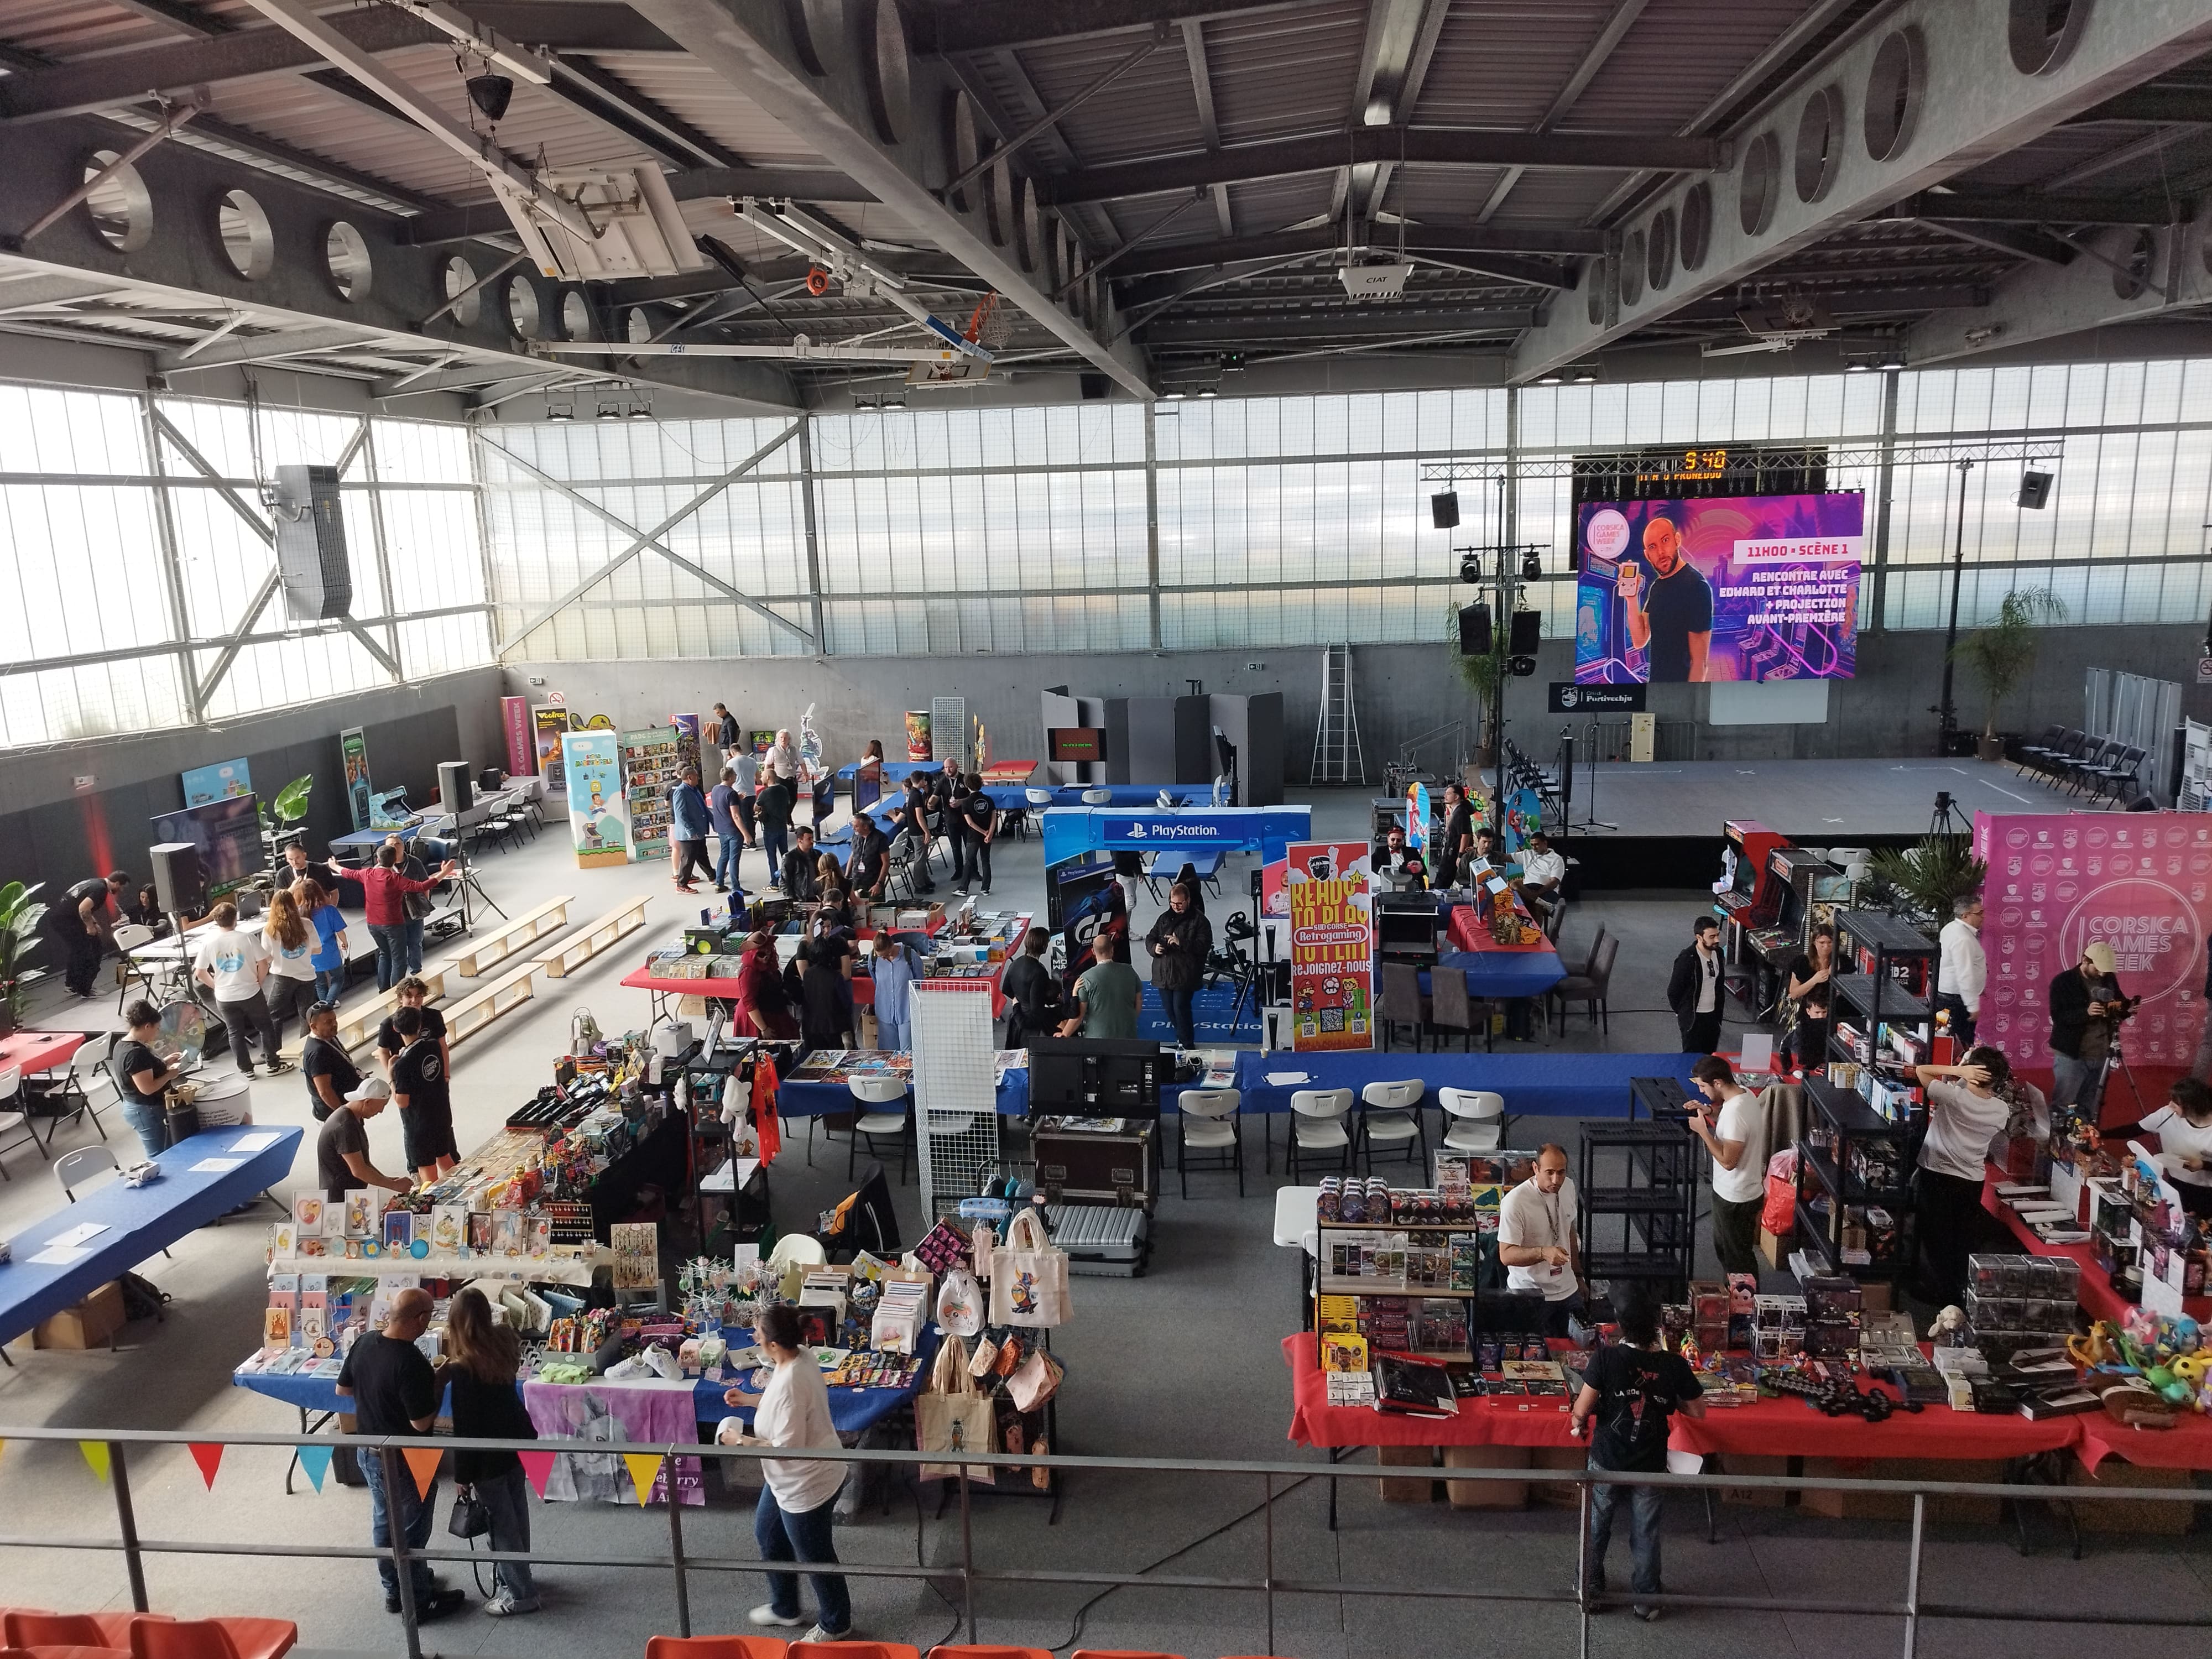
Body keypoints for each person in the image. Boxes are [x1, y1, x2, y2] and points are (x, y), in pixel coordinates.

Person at [1568, 1290, 1707, 1622]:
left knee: (1597, 1523)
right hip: (1650, 1461)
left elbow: (1581, 1410)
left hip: (1607, 1458)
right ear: (1657, 1325)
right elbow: (1698, 1411)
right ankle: (1646, 1599)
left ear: (1620, 1325)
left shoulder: (1605, 1359)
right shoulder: (1673, 1365)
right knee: (1646, 1530)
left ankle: (1590, 1588)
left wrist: (1578, 1422)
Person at [718, 1303, 854, 1643]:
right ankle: (786, 1606)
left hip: (806, 1484)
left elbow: (784, 1447)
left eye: (758, 1336)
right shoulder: (799, 1356)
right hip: (788, 1479)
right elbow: (782, 1402)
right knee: (768, 1534)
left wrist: (738, 1440)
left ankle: (837, 1623)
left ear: (774, 1344)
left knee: (817, 1556)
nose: (754, 1339)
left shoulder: (792, 1380)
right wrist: (751, 1401)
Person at [337, 1287, 467, 1624]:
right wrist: (438, 1382)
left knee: (384, 1523)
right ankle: (419, 1602)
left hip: (368, 1451)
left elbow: (344, 1389)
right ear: (422, 1320)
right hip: (405, 1459)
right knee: (412, 1532)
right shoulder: (411, 1361)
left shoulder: (365, 1341)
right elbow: (421, 1422)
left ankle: (395, 1590)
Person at [438, 1287, 542, 1616]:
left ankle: (521, 1594)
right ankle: (521, 1575)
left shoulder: (462, 1367)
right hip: (515, 1443)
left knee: (500, 1525)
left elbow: (466, 1428)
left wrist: (462, 1476)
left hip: (484, 1457)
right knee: (517, 1513)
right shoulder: (504, 1341)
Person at [1910, 1048, 2030, 1305]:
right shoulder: (2000, 1110)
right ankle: (1958, 1291)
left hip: (1937, 1173)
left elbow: (1921, 1071)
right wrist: (1967, 1072)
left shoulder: (1953, 1096)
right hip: (1971, 1180)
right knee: (1959, 1236)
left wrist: (1957, 1070)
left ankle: (1937, 1293)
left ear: (1971, 1073)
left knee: (1934, 1235)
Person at [1686, 1054, 1762, 1277]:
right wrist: (1709, 1111)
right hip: (1738, 1192)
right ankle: (1739, 1299)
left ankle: (1746, 1305)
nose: (1701, 1091)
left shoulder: (1735, 1113)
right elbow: (1730, 1122)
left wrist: (1703, 1131)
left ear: (1717, 1083)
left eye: (1703, 1086)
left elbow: (1729, 1161)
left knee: (1737, 1259)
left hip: (1735, 1197)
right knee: (1729, 1251)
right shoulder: (1744, 1095)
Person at [193, 901, 290, 1078]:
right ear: (235, 919)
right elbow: (264, 961)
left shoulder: (209, 943)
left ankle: (247, 1070)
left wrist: (217, 986)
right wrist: (259, 981)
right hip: (251, 992)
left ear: (216, 921)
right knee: (265, 1027)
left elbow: (200, 972)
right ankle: (273, 1064)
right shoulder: (246, 938)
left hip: (225, 997)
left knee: (235, 1033)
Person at [1496, 1144, 1582, 1336]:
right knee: (1533, 1358)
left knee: (1576, 1352)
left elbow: (1569, 1230)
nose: (1556, 1180)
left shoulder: (1568, 1187)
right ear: (1535, 1169)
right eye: (1549, 1172)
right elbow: (1506, 1255)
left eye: (1561, 1172)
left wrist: (1578, 1275)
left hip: (1568, 1290)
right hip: (1529, 1294)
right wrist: (1543, 1253)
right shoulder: (1515, 1202)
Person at [1618, 510, 1713, 682]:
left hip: (1680, 692)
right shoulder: (1657, 587)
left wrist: (1689, 703)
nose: (1661, 552)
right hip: (1657, 688)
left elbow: (1699, 663)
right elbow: (1640, 640)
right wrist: (1631, 598)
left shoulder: (1696, 586)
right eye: (1653, 547)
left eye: (1665, 540)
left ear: (1677, 540)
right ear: (1647, 555)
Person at [2049, 941, 2133, 1133]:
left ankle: (2082, 1141)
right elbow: (2059, 1017)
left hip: (2101, 1053)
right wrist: (2086, 1013)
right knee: (2063, 1104)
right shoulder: (2063, 981)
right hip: (2072, 1053)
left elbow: (2118, 1003)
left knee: (2088, 1105)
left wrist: (2127, 1009)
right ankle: (2056, 1144)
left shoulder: (2108, 979)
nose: (2102, 974)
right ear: (2085, 960)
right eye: (2099, 969)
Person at [359, 843, 457, 993]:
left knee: (386, 954)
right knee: (399, 959)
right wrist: (443, 873)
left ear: (378, 860)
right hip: (393, 924)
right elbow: (422, 886)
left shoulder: (367, 874)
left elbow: (347, 873)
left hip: (374, 924)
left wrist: (334, 866)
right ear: (393, 861)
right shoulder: (394, 878)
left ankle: (384, 990)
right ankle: (398, 992)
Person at [388, 1004, 457, 1184]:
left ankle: (436, 1206)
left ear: (396, 1029)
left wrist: (391, 1078)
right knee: (445, 1158)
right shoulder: (433, 1046)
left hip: (420, 1124)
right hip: (441, 1114)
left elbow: (402, 1102)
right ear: (420, 1025)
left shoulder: (402, 1065)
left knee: (428, 1174)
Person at [317, 1074, 411, 1203]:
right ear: (367, 1102)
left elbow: (364, 1163)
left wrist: (388, 1180)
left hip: (350, 1192)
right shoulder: (345, 1127)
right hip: (338, 1199)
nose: (381, 1111)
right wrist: (394, 1186)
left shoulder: (354, 1117)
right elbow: (359, 1170)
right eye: (382, 1105)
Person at [1145, 882, 1213, 1048]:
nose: (1176, 907)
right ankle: (1183, 1038)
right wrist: (1155, 948)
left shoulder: (1200, 921)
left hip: (1186, 974)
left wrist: (1180, 942)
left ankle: (1187, 1043)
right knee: (1169, 1009)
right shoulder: (1164, 918)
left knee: (1181, 1008)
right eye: (1173, 903)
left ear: (1188, 900)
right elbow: (1150, 937)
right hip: (1163, 973)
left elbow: (1203, 946)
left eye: (1180, 903)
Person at [113, 999, 182, 1158]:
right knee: (160, 1154)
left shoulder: (122, 1045)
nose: (157, 1033)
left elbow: (142, 1072)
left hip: (141, 1108)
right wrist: (169, 1075)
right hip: (146, 1111)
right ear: (147, 1026)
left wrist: (164, 1063)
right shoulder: (136, 1053)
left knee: (166, 1148)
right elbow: (147, 1088)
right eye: (157, 1029)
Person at [53, 870, 129, 997]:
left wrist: (94, 923)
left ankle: (72, 984)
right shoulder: (101, 890)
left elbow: (82, 906)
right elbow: (83, 909)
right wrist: (89, 927)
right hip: (69, 920)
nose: (121, 890)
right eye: (122, 887)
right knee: (93, 951)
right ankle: (86, 988)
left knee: (78, 950)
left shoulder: (93, 882)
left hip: (61, 919)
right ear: (117, 883)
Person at [2143, 1077, 2212, 1217]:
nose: (2170, 1105)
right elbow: (2136, 1128)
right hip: (2175, 1185)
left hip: (2206, 1194)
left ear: (2191, 1106)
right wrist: (2101, 1134)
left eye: (2176, 1103)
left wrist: (2203, 1165)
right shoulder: (2168, 1114)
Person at [259, 887, 320, 1045]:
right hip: (307, 975)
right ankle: (305, 1049)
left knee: (273, 1014)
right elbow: (318, 949)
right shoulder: (307, 924)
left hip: (283, 977)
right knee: (306, 1015)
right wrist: (304, 952)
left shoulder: (270, 930)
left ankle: (273, 1053)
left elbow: (266, 957)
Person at [1060, 936, 1142, 1040]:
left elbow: (1079, 1015)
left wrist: (1065, 1034)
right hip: (1128, 1035)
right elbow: (1138, 1000)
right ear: (1112, 949)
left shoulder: (1085, 979)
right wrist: (1131, 1021)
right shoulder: (1129, 971)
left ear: (1093, 952)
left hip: (1097, 1040)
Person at [1666, 915, 1727, 1055]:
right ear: (1699, 937)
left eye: (1717, 935)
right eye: (1712, 937)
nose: (1717, 940)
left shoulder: (1718, 953)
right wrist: (1682, 1012)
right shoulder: (1687, 959)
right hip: (1693, 1019)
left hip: (1712, 1016)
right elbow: (1674, 991)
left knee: (1710, 1057)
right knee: (1690, 1059)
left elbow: (1718, 985)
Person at [1936, 894, 1987, 1050]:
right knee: (1961, 1046)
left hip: (1949, 997)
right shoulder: (1963, 939)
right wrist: (1973, 1006)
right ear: (1965, 916)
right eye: (1979, 914)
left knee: (1947, 1040)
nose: (1983, 917)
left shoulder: (1950, 928)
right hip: (1958, 1002)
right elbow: (1965, 974)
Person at [376, 978, 450, 1080]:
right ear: (401, 998)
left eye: (418, 996)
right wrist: (394, 1076)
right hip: (407, 1076)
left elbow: (443, 1046)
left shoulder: (434, 1016)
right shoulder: (388, 1024)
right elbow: (383, 1052)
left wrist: (446, 1075)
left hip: (432, 1073)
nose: (414, 1000)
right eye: (409, 996)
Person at [300, 1000, 361, 1121]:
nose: (334, 1024)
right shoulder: (317, 1053)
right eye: (328, 1022)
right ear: (313, 1027)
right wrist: (345, 1114)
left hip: (348, 1105)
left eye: (335, 1019)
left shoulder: (329, 1036)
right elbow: (325, 1092)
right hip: (334, 1115)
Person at [736, 931, 799, 1040]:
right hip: (757, 1018)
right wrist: (764, 1028)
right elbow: (749, 1003)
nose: (766, 957)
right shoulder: (748, 972)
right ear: (752, 954)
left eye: (768, 953)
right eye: (761, 954)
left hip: (773, 1011)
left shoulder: (769, 966)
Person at [297, 878, 349, 1004]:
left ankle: (323, 1008)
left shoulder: (299, 914)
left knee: (320, 983)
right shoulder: (329, 910)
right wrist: (344, 942)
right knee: (338, 978)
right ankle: (329, 1004)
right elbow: (340, 931)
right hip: (330, 952)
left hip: (311, 954)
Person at [1002, 927, 1058, 1044]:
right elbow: (1036, 1008)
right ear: (1043, 946)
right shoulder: (1039, 972)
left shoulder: (1016, 963)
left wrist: (1018, 1002)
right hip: (1031, 1029)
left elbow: (1006, 989)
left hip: (1016, 1021)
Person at [868, 930, 919, 1050]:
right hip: (885, 1012)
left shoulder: (909, 955)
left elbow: (919, 981)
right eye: (881, 956)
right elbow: (876, 979)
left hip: (907, 1011)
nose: (884, 959)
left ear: (892, 945)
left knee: (908, 1053)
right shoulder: (874, 958)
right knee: (888, 1054)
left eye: (886, 955)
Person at [799, 942, 854, 1050]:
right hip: (833, 1027)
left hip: (812, 1026)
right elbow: (846, 1002)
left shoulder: (807, 974)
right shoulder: (836, 977)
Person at [670, 765, 713, 893]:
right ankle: (682, 885)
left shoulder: (695, 790)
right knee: (688, 859)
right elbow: (681, 815)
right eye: (696, 776)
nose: (698, 778)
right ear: (689, 777)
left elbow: (704, 808)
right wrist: (690, 831)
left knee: (702, 855)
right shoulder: (681, 792)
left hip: (699, 831)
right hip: (688, 834)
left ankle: (713, 876)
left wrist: (712, 822)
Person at [709, 765, 752, 894]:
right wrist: (746, 834)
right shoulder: (731, 793)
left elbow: (722, 804)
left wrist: (736, 799)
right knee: (734, 859)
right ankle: (736, 887)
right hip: (732, 830)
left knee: (724, 855)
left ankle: (719, 883)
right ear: (731, 777)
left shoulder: (715, 789)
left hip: (721, 828)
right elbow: (736, 816)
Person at [956, 773, 997, 895]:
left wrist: (983, 832)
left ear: (967, 786)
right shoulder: (989, 800)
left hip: (974, 836)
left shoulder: (966, 802)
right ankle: (985, 888)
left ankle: (964, 888)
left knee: (969, 860)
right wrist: (989, 833)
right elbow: (994, 818)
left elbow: (970, 823)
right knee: (986, 860)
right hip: (987, 835)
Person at [1785, 984, 1832, 1074]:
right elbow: (1794, 1048)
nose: (1821, 1016)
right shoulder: (1801, 1027)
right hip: (1807, 1065)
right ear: (1808, 1011)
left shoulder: (1831, 1024)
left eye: (1824, 1012)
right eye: (1817, 1012)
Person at [757, 766, 794, 881]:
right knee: (785, 854)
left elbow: (756, 807)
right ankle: (788, 878)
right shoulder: (784, 789)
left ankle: (774, 882)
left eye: (763, 776)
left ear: (768, 778)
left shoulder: (765, 793)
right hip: (782, 827)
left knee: (772, 856)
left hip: (770, 828)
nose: (761, 778)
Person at [845, 812, 890, 904]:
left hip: (873, 883)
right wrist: (846, 877)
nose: (853, 829)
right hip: (857, 882)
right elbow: (853, 856)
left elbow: (886, 863)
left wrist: (879, 884)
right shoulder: (856, 836)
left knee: (875, 911)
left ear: (865, 827)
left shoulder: (880, 838)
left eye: (856, 826)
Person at [1519, 831, 1566, 910]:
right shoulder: (1529, 855)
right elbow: (1506, 857)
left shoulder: (1556, 859)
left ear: (1545, 843)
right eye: (1532, 845)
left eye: (1537, 845)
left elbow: (1554, 883)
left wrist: (1537, 893)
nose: (1534, 848)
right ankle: (1540, 902)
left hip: (1546, 891)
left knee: (1536, 906)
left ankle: (1539, 902)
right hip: (1530, 889)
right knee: (1515, 885)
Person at [1439, 782, 1474, 888]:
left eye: (1448, 794)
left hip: (1454, 853)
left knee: (1442, 882)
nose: (1445, 796)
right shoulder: (1457, 811)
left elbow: (1465, 834)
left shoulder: (1461, 812)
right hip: (1451, 851)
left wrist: (1460, 855)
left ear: (1457, 797)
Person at [1373, 826, 1428, 891]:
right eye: (1393, 839)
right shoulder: (1380, 851)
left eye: (1399, 840)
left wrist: (1413, 870)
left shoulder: (1412, 852)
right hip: (1388, 886)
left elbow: (1424, 870)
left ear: (1403, 840)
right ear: (1388, 838)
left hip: (1411, 886)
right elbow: (1371, 864)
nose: (1395, 842)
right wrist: (1382, 872)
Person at [782, 826, 822, 900]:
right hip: (801, 899)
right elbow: (784, 882)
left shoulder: (817, 854)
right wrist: (792, 900)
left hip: (818, 897)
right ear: (800, 840)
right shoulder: (790, 857)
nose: (812, 841)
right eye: (809, 839)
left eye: (812, 838)